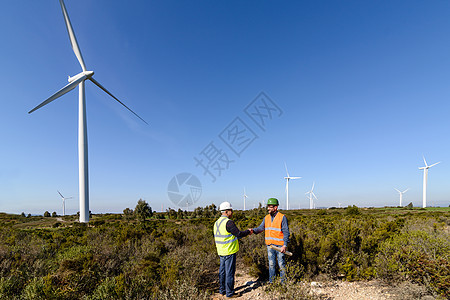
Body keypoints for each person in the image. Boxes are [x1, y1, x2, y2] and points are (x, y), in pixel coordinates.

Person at [214, 201, 253, 298]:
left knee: (222, 272)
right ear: (226, 211)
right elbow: (238, 234)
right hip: (229, 251)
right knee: (229, 273)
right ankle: (230, 293)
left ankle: (222, 290)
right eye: (231, 210)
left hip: (221, 251)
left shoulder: (217, 222)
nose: (232, 212)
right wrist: (248, 232)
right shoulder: (229, 222)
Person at [252, 198, 289, 283]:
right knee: (271, 265)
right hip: (270, 246)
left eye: (270, 207)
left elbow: (286, 232)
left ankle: (284, 283)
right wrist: (252, 230)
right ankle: (272, 282)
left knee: (281, 264)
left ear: (275, 207)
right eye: (268, 206)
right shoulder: (266, 218)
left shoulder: (282, 217)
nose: (268, 208)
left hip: (280, 246)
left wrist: (285, 245)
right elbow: (261, 228)